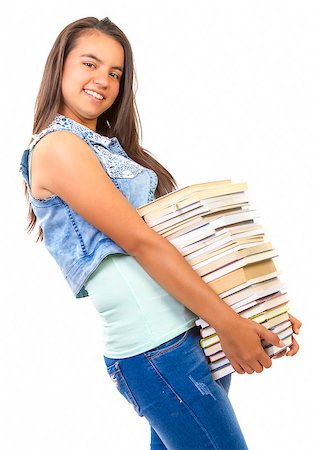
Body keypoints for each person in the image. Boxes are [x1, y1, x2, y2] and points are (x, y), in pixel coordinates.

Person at [19, 16, 301, 449]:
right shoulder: (58, 148)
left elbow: (179, 242)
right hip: (156, 349)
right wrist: (227, 323)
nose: (103, 81)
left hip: (186, 336)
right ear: (60, 66)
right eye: (90, 65)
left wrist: (256, 312)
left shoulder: (109, 147)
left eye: (115, 73)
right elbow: (141, 242)